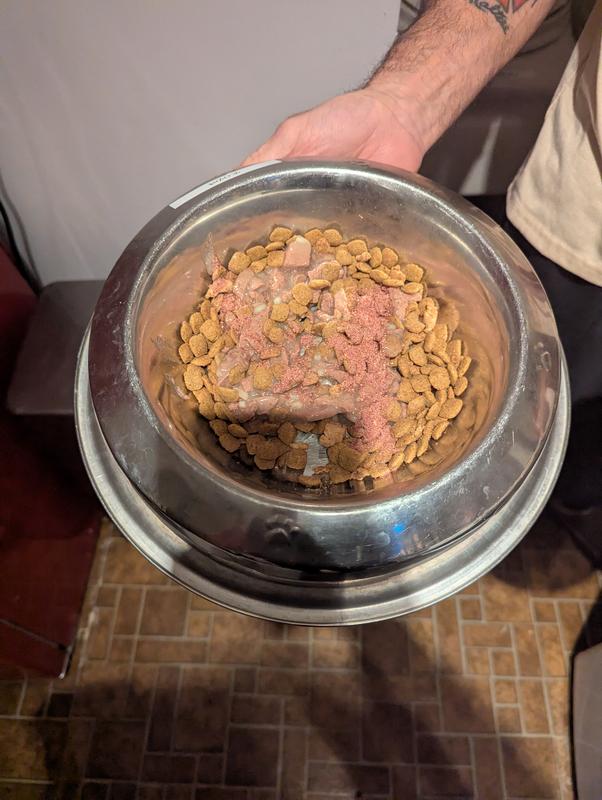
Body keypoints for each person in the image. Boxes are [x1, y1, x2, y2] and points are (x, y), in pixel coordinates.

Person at [243, 0, 602, 564]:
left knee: (581, 431)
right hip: (586, 207)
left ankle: (572, 504)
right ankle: (567, 499)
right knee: (565, 387)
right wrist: (402, 104)